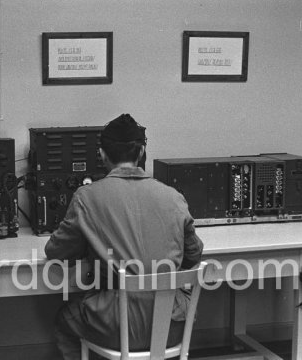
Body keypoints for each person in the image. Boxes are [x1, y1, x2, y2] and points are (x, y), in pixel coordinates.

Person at [44, 113, 204, 360]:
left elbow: (56, 253)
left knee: (64, 321)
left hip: (115, 326)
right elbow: (194, 255)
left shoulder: (86, 197)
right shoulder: (173, 197)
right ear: (141, 153)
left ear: (102, 155)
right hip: (170, 327)